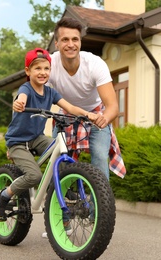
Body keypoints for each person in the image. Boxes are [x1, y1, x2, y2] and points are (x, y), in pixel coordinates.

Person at [0, 47, 99, 221]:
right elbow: (22, 98)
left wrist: (88, 115)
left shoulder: (50, 92)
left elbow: (69, 107)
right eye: (37, 68)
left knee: (60, 151)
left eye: (46, 68)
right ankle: (3, 197)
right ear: (28, 71)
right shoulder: (25, 88)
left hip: (36, 139)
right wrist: (19, 104)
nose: (43, 73)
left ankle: (63, 188)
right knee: (34, 176)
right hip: (18, 142)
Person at [47, 17, 126, 180]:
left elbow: (112, 107)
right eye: (65, 40)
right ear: (57, 44)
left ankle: (100, 204)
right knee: (56, 160)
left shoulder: (95, 64)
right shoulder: (49, 65)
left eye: (75, 39)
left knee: (98, 156)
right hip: (66, 114)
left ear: (80, 42)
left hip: (95, 114)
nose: (71, 44)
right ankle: (59, 200)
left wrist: (103, 119)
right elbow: (36, 98)